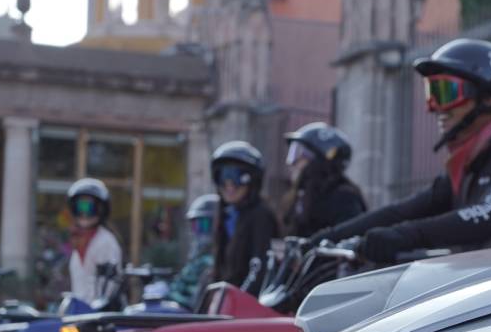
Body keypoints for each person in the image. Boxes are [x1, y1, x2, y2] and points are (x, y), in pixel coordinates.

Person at [309, 38, 491, 263]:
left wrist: (402, 236)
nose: (435, 108)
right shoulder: (472, 162)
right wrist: (323, 238)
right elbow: (405, 210)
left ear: (488, 99)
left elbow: (486, 216)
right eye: (431, 94)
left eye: (445, 93)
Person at [210, 141, 279, 288]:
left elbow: (260, 270)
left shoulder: (261, 216)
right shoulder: (226, 216)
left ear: (252, 180)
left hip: (247, 306)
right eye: (222, 176)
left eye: (236, 176)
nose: (229, 185)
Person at [281, 122, 367, 237]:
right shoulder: (302, 196)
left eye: (301, 155)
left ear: (319, 161)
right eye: (294, 153)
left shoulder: (344, 199)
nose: (294, 163)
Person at [157, 193, 218, 310]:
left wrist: (167, 295)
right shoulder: (198, 257)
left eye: (205, 225)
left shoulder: (210, 261)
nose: (199, 232)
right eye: (196, 226)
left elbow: (193, 300)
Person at [66, 178, 123, 302]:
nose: (85, 213)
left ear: (101, 209)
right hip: (80, 315)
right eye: (80, 207)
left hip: (98, 316)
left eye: (90, 207)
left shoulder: (105, 242)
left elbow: (107, 290)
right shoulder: (79, 240)